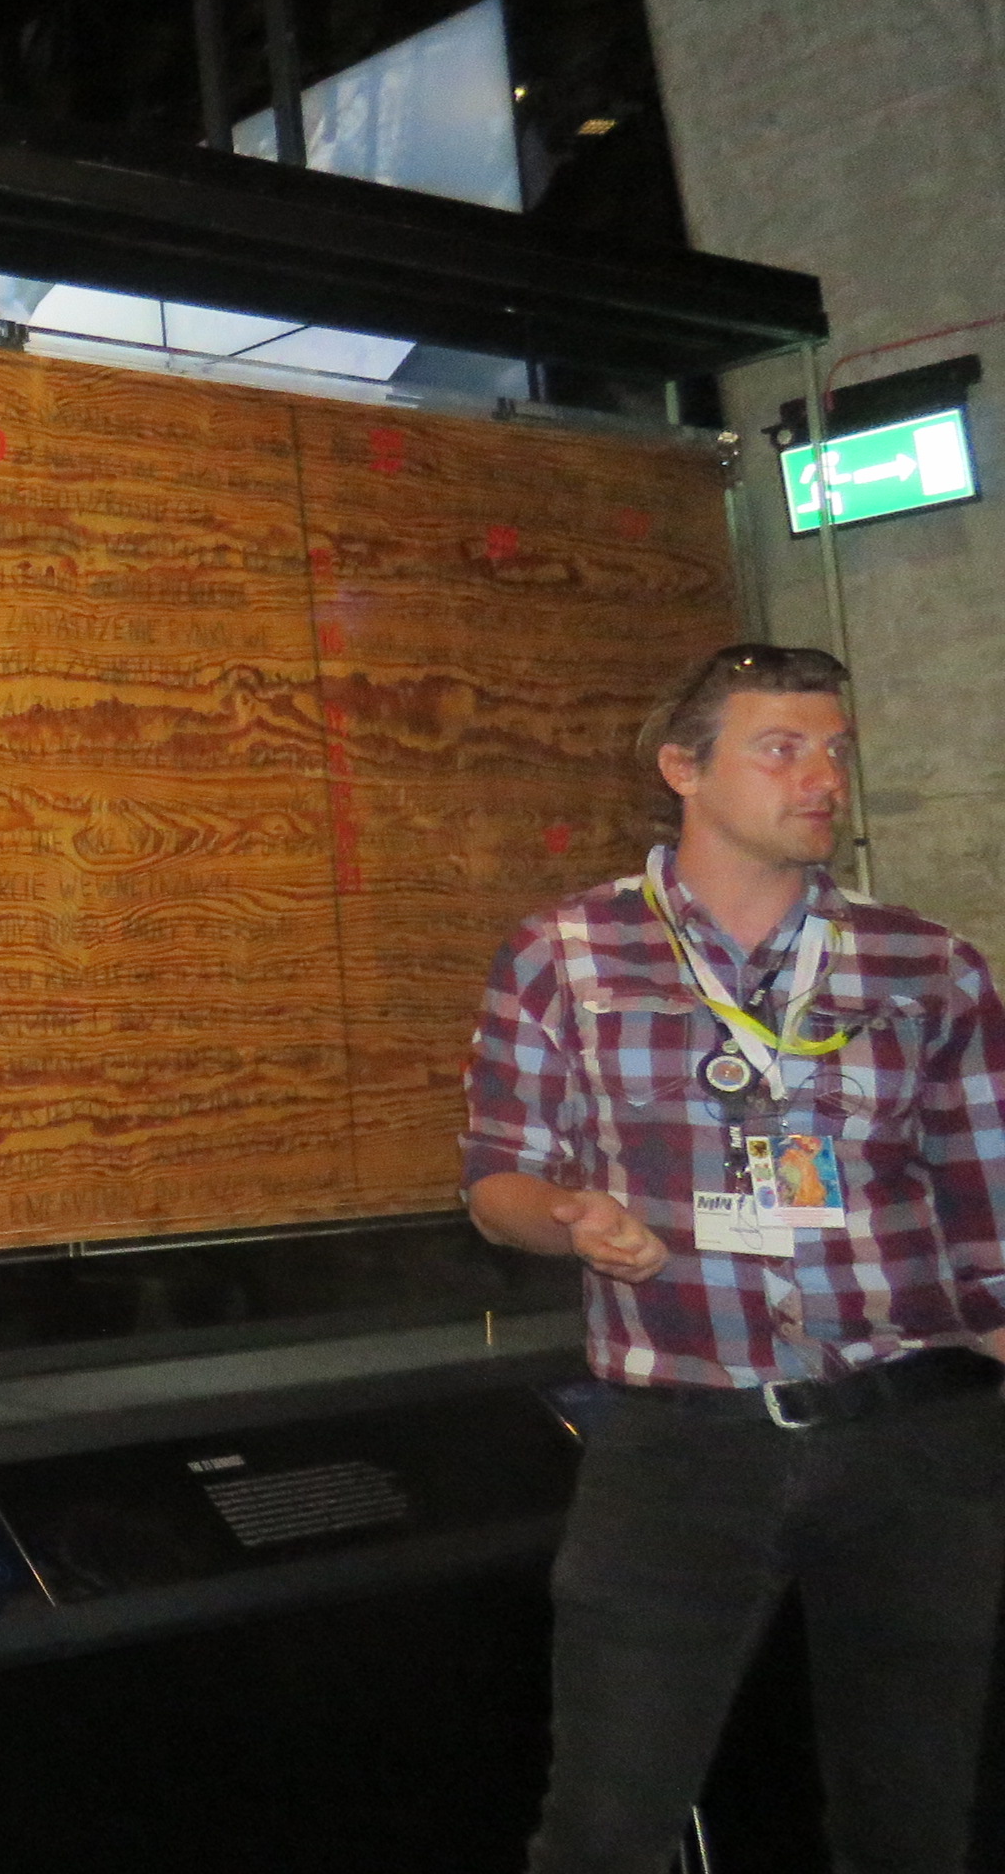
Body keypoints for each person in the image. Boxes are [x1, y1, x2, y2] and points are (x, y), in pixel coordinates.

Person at [461, 641, 1005, 1874]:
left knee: (913, 1823)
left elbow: (990, 1211)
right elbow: (496, 1184)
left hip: (916, 1435)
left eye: (835, 750)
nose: (822, 778)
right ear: (683, 769)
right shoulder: (566, 951)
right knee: (606, 1826)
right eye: (781, 748)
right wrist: (568, 1215)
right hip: (681, 1444)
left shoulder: (927, 962)